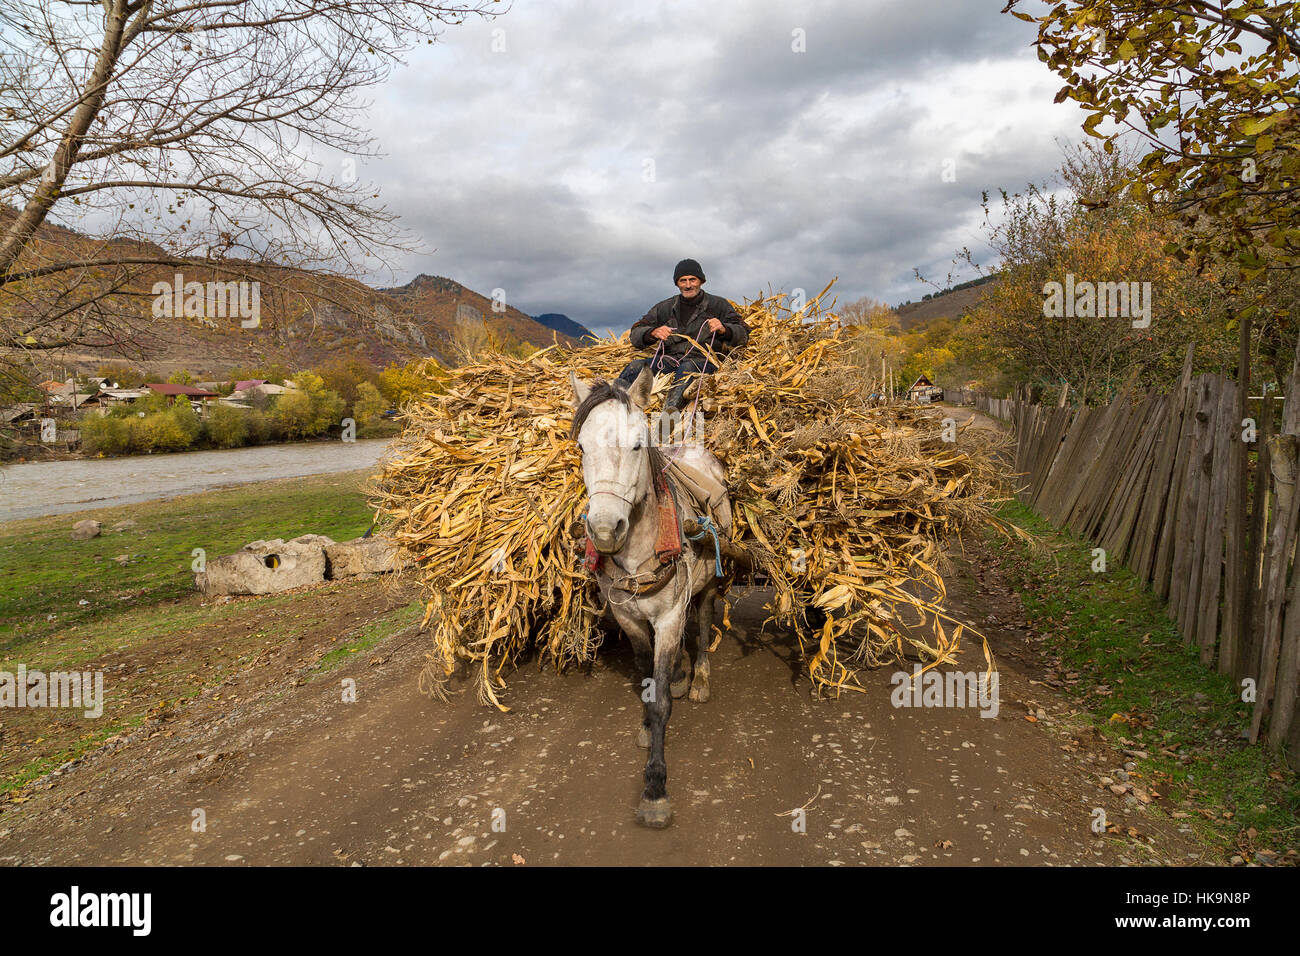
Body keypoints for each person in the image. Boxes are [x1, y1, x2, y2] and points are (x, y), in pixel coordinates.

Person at [617, 258, 749, 413]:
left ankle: (669, 415)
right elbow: (636, 333)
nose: (688, 285)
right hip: (669, 360)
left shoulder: (718, 305)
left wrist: (724, 329)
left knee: (687, 368)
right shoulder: (665, 308)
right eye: (683, 280)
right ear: (677, 283)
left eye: (692, 280)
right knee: (636, 366)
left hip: (702, 360)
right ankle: (611, 404)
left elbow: (744, 333)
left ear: (701, 281)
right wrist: (652, 332)